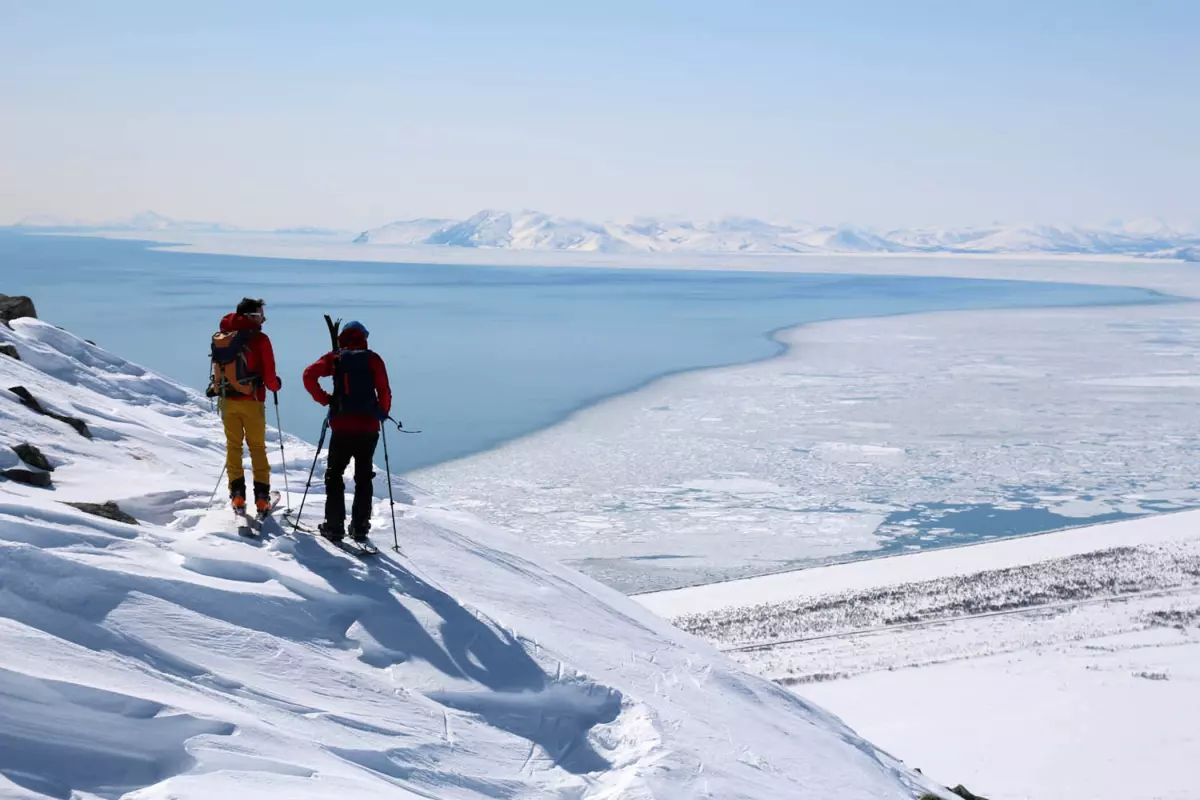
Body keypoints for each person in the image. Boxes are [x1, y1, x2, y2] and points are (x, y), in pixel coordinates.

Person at [302, 320, 392, 542]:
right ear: (363, 337)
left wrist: (327, 400)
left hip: (341, 426)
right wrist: (381, 413)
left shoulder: (335, 357)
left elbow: (308, 376)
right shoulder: (373, 359)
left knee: (334, 475)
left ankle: (334, 527)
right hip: (368, 427)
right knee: (363, 477)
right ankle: (360, 528)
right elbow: (384, 390)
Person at [215, 297, 282, 515]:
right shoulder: (260, 339)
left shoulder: (223, 335)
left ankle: (237, 496)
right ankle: (262, 500)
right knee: (257, 448)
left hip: (226, 399)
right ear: (252, 316)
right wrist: (275, 385)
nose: (263, 319)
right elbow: (269, 375)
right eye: (261, 315)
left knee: (233, 447)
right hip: (252, 400)